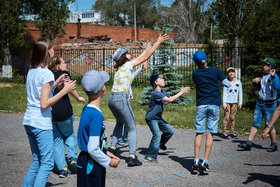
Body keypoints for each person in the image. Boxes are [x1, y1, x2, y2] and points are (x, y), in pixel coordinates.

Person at [108, 34, 169, 167]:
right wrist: (157, 42)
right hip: (121, 99)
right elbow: (145, 58)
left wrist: (146, 50)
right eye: (127, 53)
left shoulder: (120, 68)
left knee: (119, 123)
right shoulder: (128, 65)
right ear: (125, 58)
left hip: (111, 98)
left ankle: (112, 148)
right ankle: (131, 157)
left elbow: (141, 58)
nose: (130, 54)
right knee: (132, 128)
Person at [22, 39, 76, 187]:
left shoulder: (32, 71)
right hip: (41, 123)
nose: (54, 51)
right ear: (47, 52)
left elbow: (40, 93)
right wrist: (64, 90)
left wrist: (56, 83)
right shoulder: (46, 74)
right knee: (46, 164)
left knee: (37, 161)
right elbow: (44, 103)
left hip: (29, 121)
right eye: (52, 49)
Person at [77, 70, 120, 187]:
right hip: (92, 164)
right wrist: (109, 162)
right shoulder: (96, 115)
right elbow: (92, 149)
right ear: (103, 89)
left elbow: (92, 142)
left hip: (86, 160)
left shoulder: (87, 108)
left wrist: (105, 152)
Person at [191, 51, 231, 173]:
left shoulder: (195, 73)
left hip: (201, 105)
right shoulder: (216, 70)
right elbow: (227, 84)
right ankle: (206, 161)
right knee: (210, 133)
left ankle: (196, 160)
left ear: (196, 63)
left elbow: (198, 83)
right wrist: (216, 82)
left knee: (199, 133)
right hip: (213, 104)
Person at [48, 56, 85, 178]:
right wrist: (78, 97)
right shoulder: (64, 74)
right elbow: (69, 88)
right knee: (69, 134)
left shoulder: (48, 75)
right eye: (64, 62)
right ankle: (73, 159)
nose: (66, 64)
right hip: (64, 111)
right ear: (58, 65)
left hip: (51, 112)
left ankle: (62, 168)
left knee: (57, 140)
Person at [144, 73, 190, 162]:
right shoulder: (155, 93)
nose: (163, 80)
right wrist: (181, 92)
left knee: (169, 131)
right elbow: (169, 100)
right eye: (160, 79)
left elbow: (171, 97)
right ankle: (150, 156)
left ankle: (160, 144)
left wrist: (181, 91)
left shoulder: (162, 91)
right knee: (157, 135)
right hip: (151, 118)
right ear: (156, 82)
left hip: (158, 118)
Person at [238, 58, 279, 152]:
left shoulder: (274, 76)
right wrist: (255, 83)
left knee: (269, 124)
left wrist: (273, 76)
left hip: (270, 105)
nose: (262, 66)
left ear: (270, 67)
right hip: (260, 103)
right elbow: (260, 89)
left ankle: (274, 144)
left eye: (264, 65)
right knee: (256, 122)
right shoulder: (263, 76)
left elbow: (277, 87)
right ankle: (249, 142)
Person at [118, 63, 147, 145]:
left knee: (128, 119)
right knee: (122, 119)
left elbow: (134, 75)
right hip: (121, 100)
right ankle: (119, 137)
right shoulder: (120, 76)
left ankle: (125, 137)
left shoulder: (128, 77)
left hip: (127, 100)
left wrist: (141, 68)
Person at [222, 67, 243, 138]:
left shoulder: (238, 82)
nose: (231, 73)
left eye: (232, 72)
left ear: (235, 73)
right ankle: (224, 131)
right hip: (227, 102)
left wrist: (240, 102)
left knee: (232, 117)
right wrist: (224, 103)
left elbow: (240, 93)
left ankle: (232, 131)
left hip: (234, 102)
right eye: (229, 72)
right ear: (227, 74)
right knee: (226, 117)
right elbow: (224, 93)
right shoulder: (226, 83)